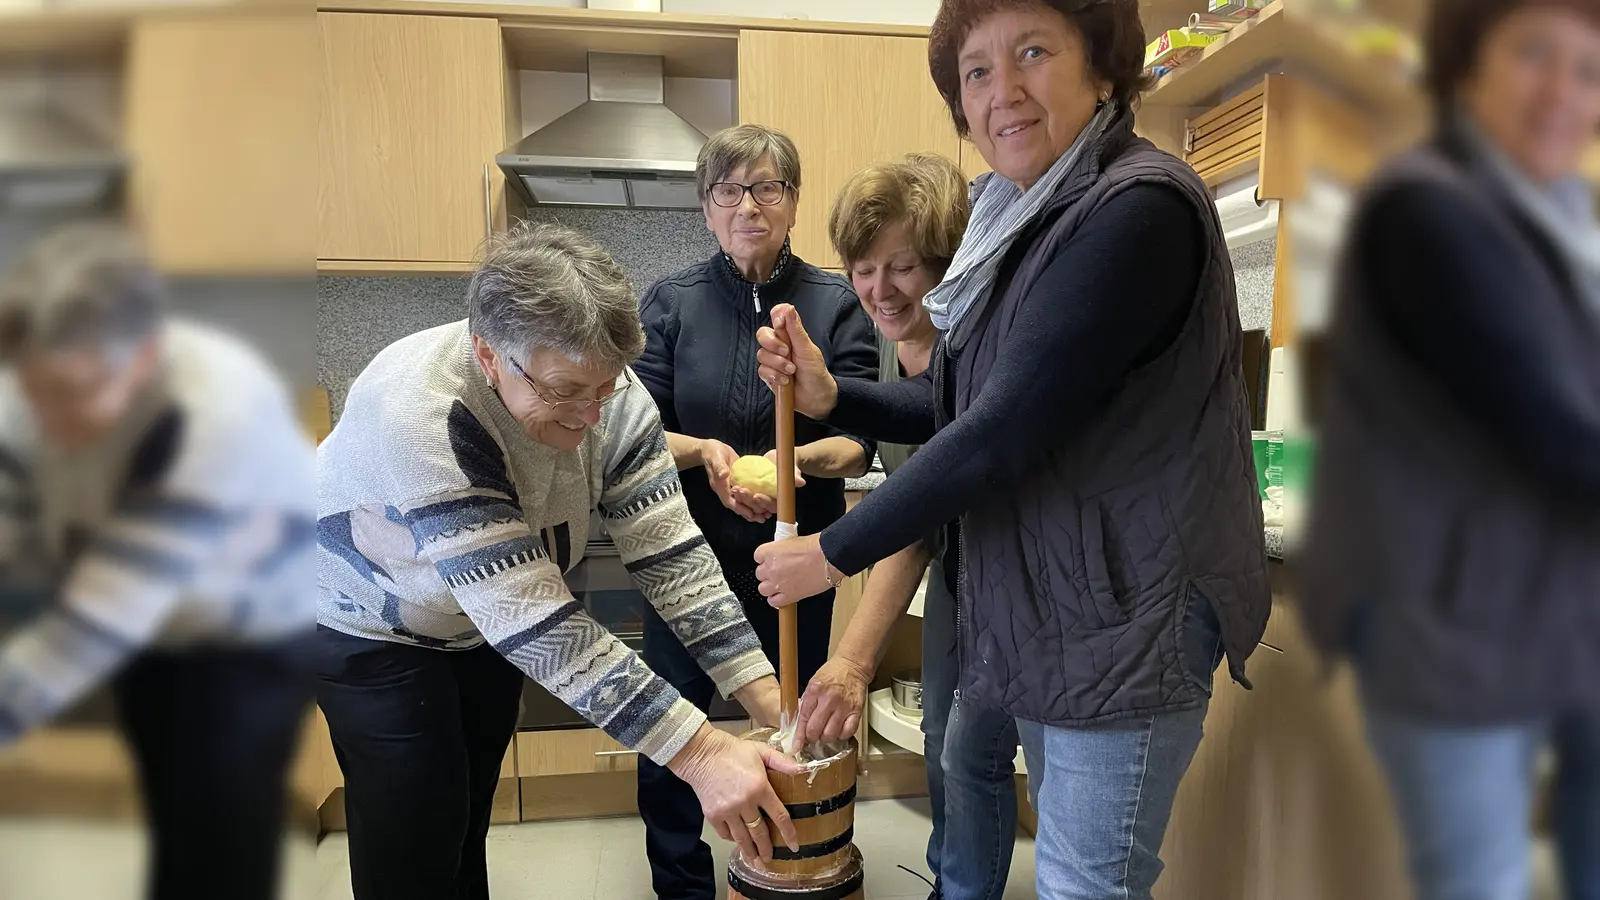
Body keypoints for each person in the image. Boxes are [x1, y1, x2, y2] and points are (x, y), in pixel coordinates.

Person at [750, 0, 1273, 896]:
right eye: (978, 72)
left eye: (1033, 52)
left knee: (1084, 882)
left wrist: (829, 553)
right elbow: (960, 404)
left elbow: (1000, 433)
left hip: (1130, 618)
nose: (1005, 92)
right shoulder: (1028, 219)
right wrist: (838, 396)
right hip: (1065, 608)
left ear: (1103, 68)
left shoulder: (1134, 210)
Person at [316, 222, 803, 900]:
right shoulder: (421, 413)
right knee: (415, 827)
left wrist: (765, 693)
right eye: (564, 389)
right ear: (490, 357)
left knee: (463, 816)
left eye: (603, 389)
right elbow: (535, 621)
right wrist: (702, 753)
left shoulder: (610, 389)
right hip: (367, 625)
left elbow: (671, 556)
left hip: (474, 626)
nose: (590, 415)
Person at [1298, 0, 1600, 897]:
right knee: (1478, 878)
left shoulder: (1569, 214)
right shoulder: (1426, 211)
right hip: (1446, 621)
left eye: (1587, 69)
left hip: (1562, 607)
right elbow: (1548, 423)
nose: (1562, 90)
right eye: (1534, 54)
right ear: (1467, 68)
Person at [0, 221, 315, 900]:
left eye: (73, 392)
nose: (49, 417)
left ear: (143, 356)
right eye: (35, 390)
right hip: (144, 633)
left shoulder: (215, 411)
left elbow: (101, 618)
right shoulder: (39, 372)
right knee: (173, 828)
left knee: (223, 848)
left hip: (249, 643)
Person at [633, 123, 879, 900]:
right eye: (729, 190)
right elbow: (637, 431)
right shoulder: (672, 302)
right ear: (707, 208)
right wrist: (705, 451)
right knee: (676, 730)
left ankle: (785, 869)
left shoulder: (835, 303)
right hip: (691, 557)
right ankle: (682, 884)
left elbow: (860, 444)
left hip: (801, 559)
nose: (749, 204)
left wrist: (791, 464)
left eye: (767, 186)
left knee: (797, 726)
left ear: (793, 201)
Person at [796, 153, 1022, 900]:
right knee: (945, 748)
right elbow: (903, 475)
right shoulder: (900, 354)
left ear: (945, 263)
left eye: (901, 268)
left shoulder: (977, 346)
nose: (878, 290)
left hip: (1019, 576)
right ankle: (954, 882)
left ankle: (963, 887)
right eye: (863, 268)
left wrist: (852, 661)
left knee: (975, 754)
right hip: (963, 573)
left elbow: (917, 521)